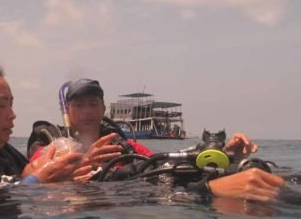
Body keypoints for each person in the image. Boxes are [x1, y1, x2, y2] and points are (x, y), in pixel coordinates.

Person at [27, 79, 284, 201]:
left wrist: (225, 156)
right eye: (78, 105)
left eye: (92, 104)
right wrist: (83, 162)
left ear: (104, 109)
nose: (86, 112)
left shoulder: (123, 146)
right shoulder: (53, 144)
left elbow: (164, 166)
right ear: (68, 112)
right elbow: (34, 176)